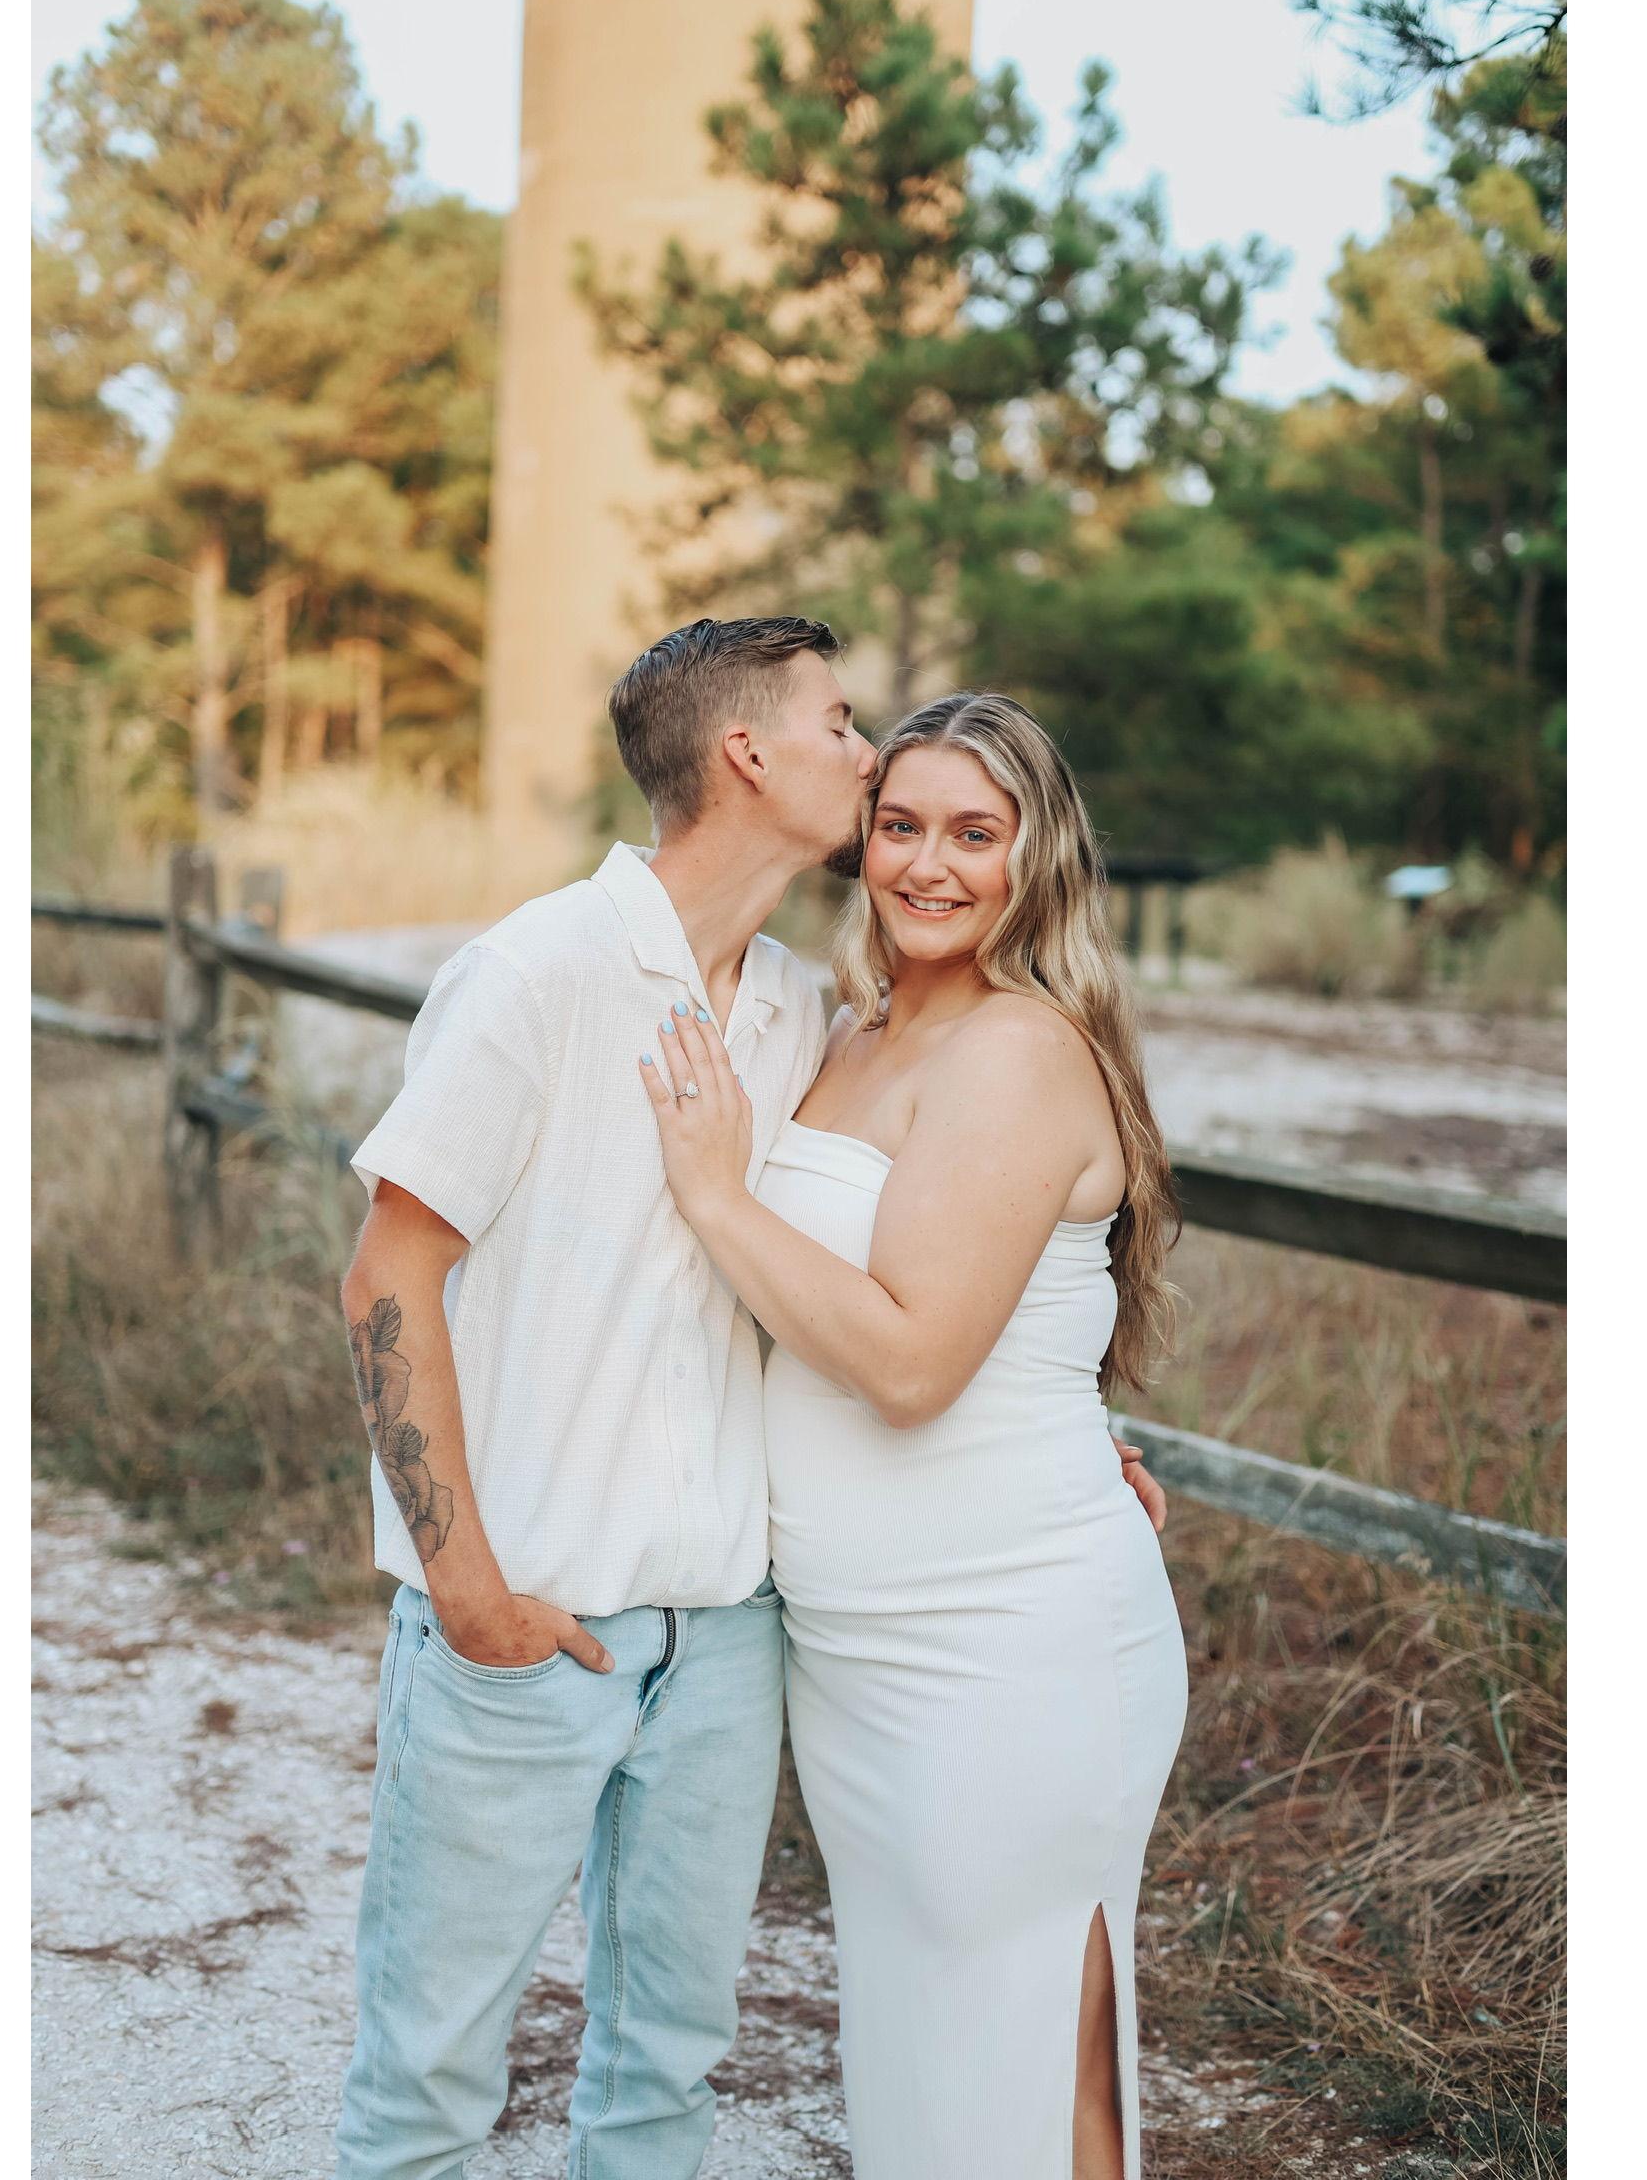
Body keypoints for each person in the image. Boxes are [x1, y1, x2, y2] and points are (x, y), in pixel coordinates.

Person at [331, 617, 1163, 2180]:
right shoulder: (542, 975)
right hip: (539, 1614)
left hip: (736, 1631)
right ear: (748, 754)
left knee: (668, 2071)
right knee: (430, 2079)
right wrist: (467, 1588)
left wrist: (1056, 1432)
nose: (870, 761)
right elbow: (388, 1276)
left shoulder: (795, 1010)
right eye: (848, 734)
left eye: (967, 827)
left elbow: (917, 1296)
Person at [641, 691, 1192, 2180]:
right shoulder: (853, 1038)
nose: (927, 865)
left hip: (1005, 1642)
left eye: (974, 832)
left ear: (1037, 857)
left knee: (1026, 2055)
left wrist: (717, 1196)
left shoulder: (1016, 1051)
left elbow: (907, 1364)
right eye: (900, 826)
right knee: (925, 2063)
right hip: (859, 1649)